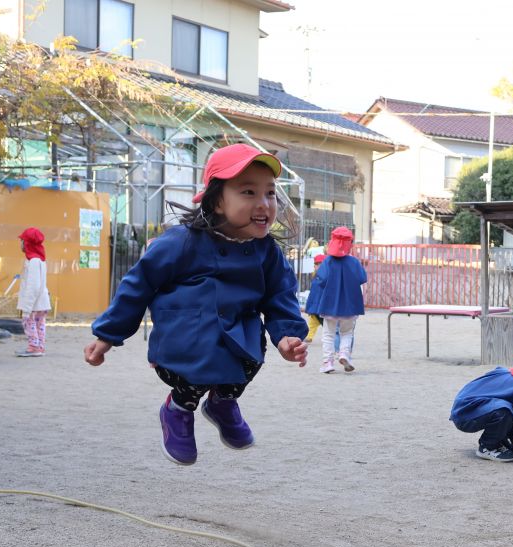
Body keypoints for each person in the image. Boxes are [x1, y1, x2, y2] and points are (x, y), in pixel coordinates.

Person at [83, 143, 308, 466]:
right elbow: (138, 284)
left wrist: (286, 334)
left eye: (270, 193)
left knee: (247, 360)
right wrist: (107, 335)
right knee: (198, 369)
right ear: (217, 201)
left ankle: (222, 402)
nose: (264, 204)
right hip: (186, 338)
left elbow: (280, 294)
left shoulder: (266, 252)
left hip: (236, 333)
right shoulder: (182, 242)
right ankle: (177, 409)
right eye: (248, 192)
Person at [309, 226, 366, 373]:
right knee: (347, 332)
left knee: (328, 333)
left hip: (330, 303)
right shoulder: (354, 262)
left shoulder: (328, 262)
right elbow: (362, 278)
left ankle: (328, 362)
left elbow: (321, 280)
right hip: (350, 304)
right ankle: (344, 354)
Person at [16, 227, 51, 357]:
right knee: (39, 324)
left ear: (27, 243)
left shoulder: (33, 261)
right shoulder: (40, 260)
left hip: (34, 303)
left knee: (29, 322)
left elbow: (34, 286)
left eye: (22, 241)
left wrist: (27, 307)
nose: (20, 244)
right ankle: (39, 346)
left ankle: (33, 346)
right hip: (41, 301)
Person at [303, 253, 326, 343]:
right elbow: (313, 292)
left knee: (325, 322)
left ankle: (333, 336)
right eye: (316, 264)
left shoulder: (325, 276)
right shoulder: (315, 276)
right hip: (314, 304)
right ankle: (309, 336)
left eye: (319, 264)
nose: (317, 266)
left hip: (321, 305)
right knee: (313, 321)